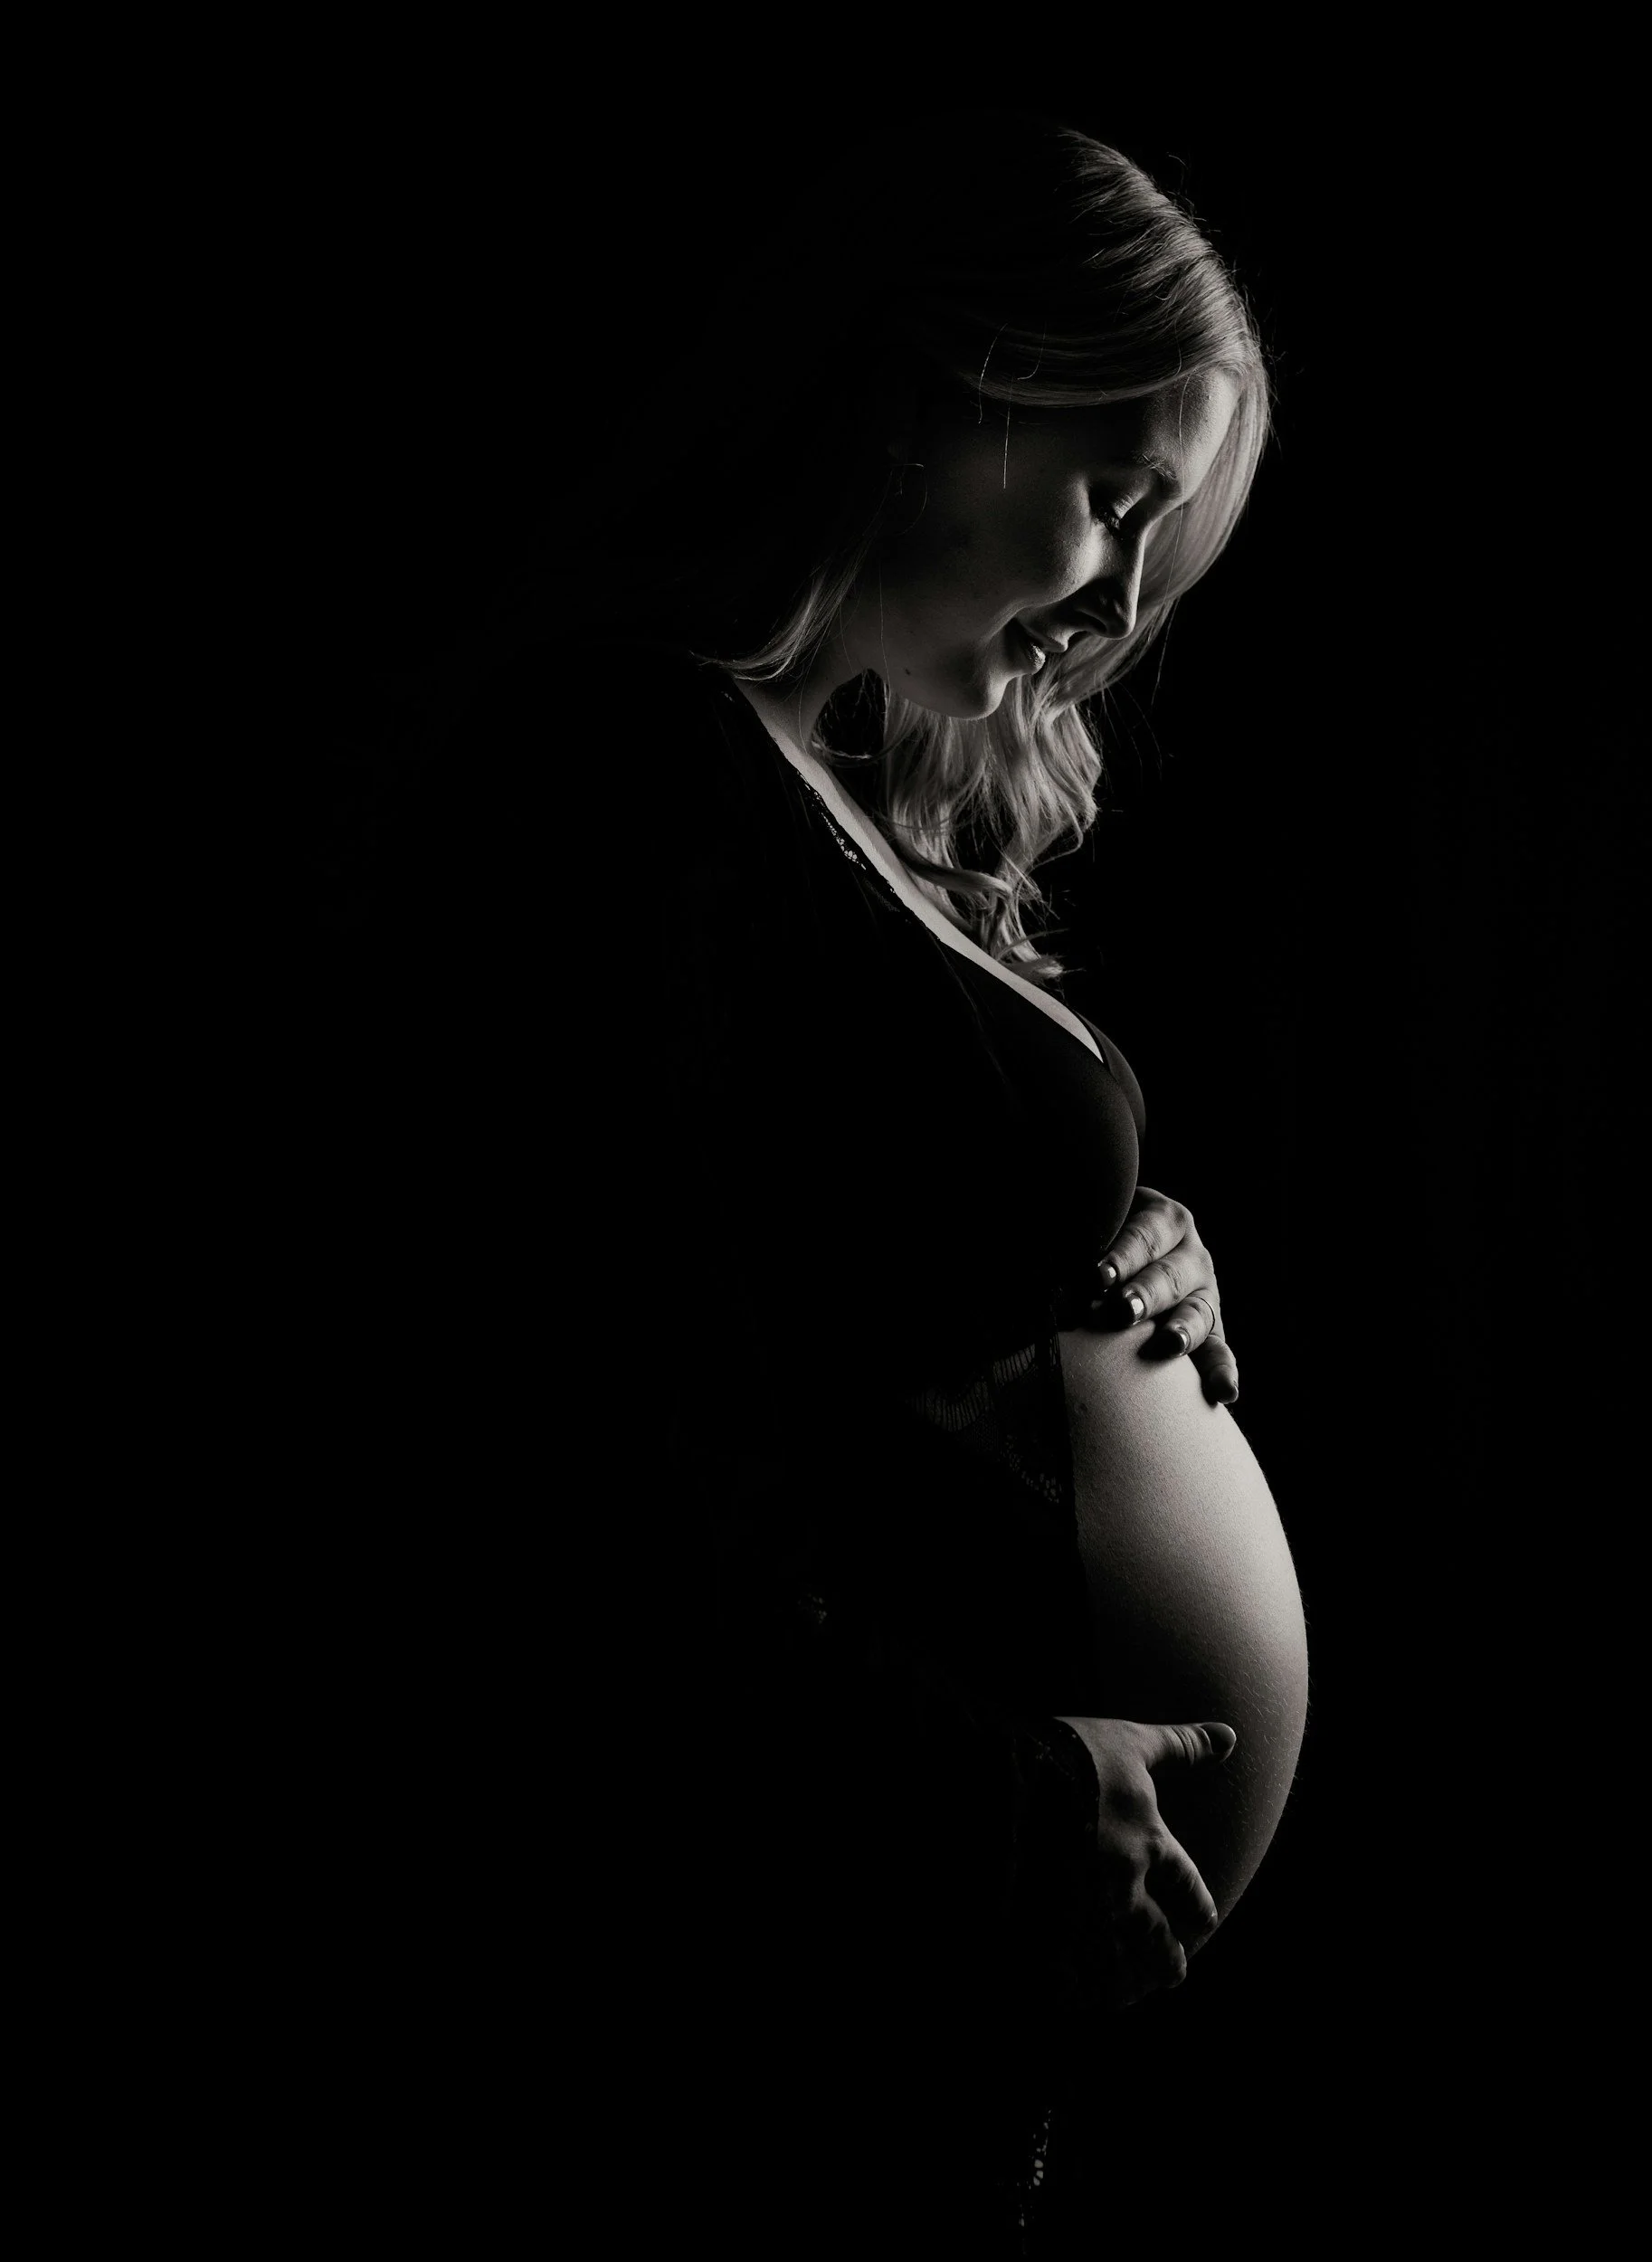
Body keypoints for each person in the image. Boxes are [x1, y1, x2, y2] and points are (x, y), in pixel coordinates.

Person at [289, 109, 1308, 2252]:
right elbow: (570, 1456)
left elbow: (862, 1263)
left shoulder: (841, 803)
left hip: (919, 1977)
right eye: (1113, 500)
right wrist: (1005, 1791)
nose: (1120, 605)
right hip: (747, 1983)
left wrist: (1119, 1252)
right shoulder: (624, 774)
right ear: (947, 378)